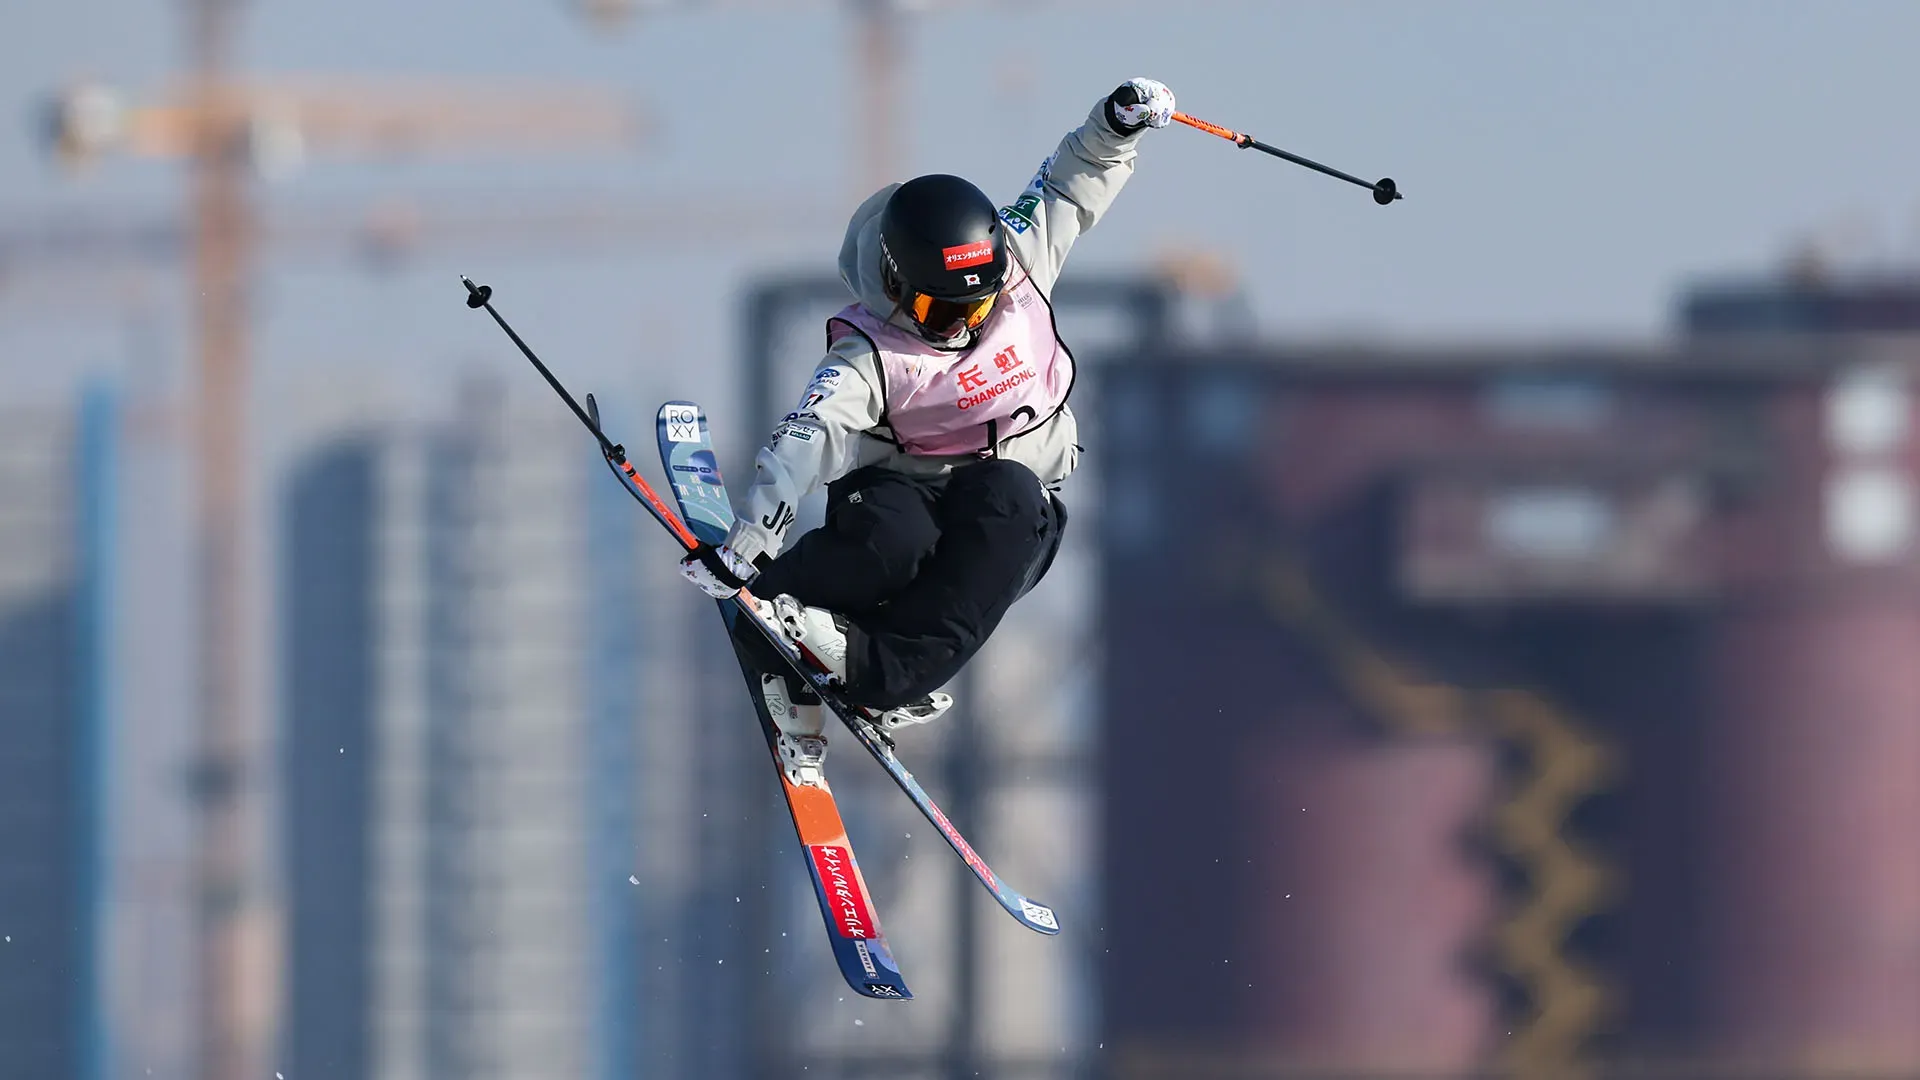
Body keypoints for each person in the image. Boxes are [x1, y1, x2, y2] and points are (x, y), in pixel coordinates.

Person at [681, 77, 1177, 736]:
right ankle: (788, 613)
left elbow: (1067, 184)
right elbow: (810, 434)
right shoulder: (872, 352)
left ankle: (873, 671)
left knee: (1015, 499)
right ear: (895, 281)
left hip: (998, 516)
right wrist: (753, 541)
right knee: (894, 539)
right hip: (901, 494)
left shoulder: (1020, 262)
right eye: (936, 311)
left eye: (975, 306)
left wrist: (1117, 124)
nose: (960, 326)